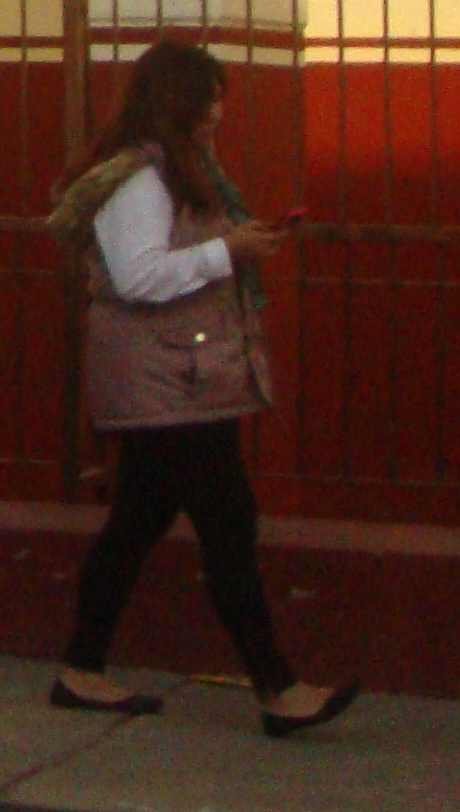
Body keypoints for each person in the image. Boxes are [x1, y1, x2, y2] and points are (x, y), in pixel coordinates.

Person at [44, 37, 354, 735]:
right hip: (166, 383)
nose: (218, 112)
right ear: (178, 101)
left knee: (138, 523)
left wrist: (235, 245)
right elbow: (140, 276)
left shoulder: (178, 169)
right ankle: (276, 687)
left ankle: (82, 667)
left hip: (179, 375)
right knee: (226, 522)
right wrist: (227, 252)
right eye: (209, 97)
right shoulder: (137, 179)